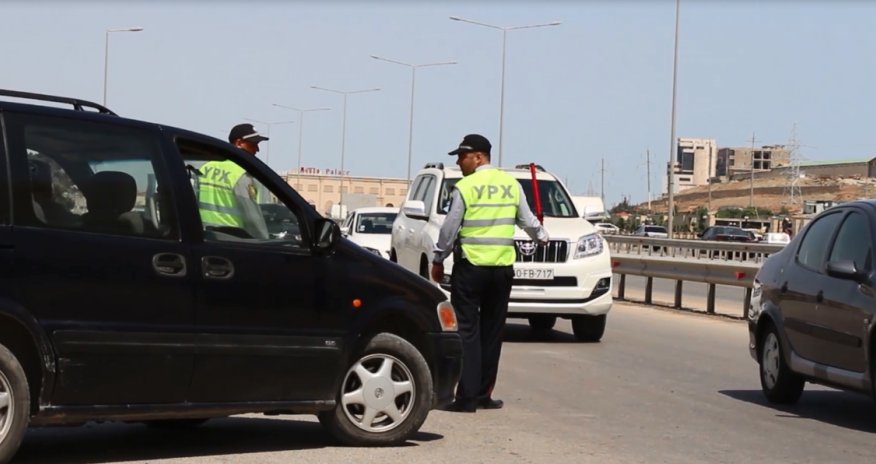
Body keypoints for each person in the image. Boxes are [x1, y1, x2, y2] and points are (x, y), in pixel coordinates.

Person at [431, 134, 548, 413]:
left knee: (467, 332)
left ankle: (467, 398)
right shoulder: (511, 184)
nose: (459, 162)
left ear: (479, 157)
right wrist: (542, 236)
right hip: (501, 270)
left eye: (462, 156)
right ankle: (484, 394)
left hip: (471, 267)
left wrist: (438, 257)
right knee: (493, 332)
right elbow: (528, 221)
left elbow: (449, 229)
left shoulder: (466, 186)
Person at [197, 123, 270, 239]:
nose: (257, 149)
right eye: (253, 144)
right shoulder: (241, 174)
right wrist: (264, 242)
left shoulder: (205, 168)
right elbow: (252, 218)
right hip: (232, 240)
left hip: (204, 236)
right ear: (239, 143)